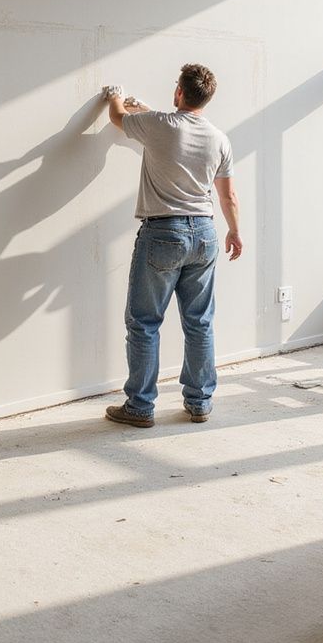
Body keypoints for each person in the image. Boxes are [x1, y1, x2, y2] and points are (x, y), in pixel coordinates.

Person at [103, 64, 242, 428]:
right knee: (199, 323)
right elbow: (228, 195)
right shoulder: (219, 138)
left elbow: (118, 117)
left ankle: (140, 406)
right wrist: (235, 231)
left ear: (179, 92)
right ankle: (199, 403)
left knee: (145, 322)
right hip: (206, 234)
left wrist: (114, 94)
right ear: (206, 98)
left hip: (163, 234)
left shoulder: (159, 125)